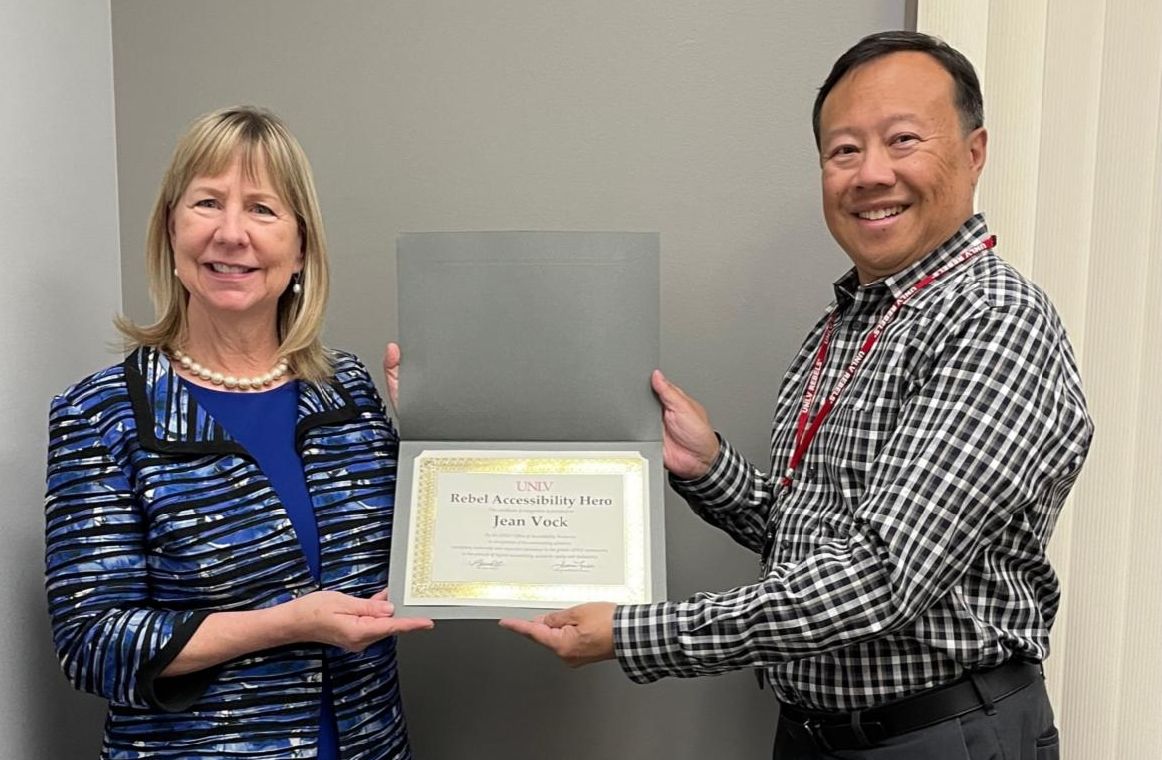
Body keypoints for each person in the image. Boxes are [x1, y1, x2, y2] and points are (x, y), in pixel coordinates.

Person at [500, 31, 1093, 759]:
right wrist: (708, 467)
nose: (871, 173)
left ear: (974, 153)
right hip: (814, 735)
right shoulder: (840, 328)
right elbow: (813, 535)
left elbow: (878, 577)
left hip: (939, 735)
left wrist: (633, 635)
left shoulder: (995, 320)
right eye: (844, 151)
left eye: (902, 139)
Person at [44, 106, 432, 759]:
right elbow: (91, 644)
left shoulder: (349, 393)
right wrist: (283, 625)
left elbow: (429, 556)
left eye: (261, 209)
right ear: (170, 230)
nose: (231, 233)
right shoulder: (103, 414)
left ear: (301, 244)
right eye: (206, 203)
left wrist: (441, 434)